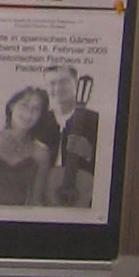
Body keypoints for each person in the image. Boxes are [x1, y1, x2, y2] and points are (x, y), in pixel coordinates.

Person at [0, 87, 57, 204]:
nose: (29, 113)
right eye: (24, 105)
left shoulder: (41, 152)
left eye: (36, 109)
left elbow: (35, 200)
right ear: (12, 106)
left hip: (16, 215)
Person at [43, 63, 99, 205]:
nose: (57, 88)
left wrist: (90, 153)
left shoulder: (95, 120)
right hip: (45, 197)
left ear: (76, 84)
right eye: (52, 83)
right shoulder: (41, 121)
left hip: (81, 197)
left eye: (63, 82)